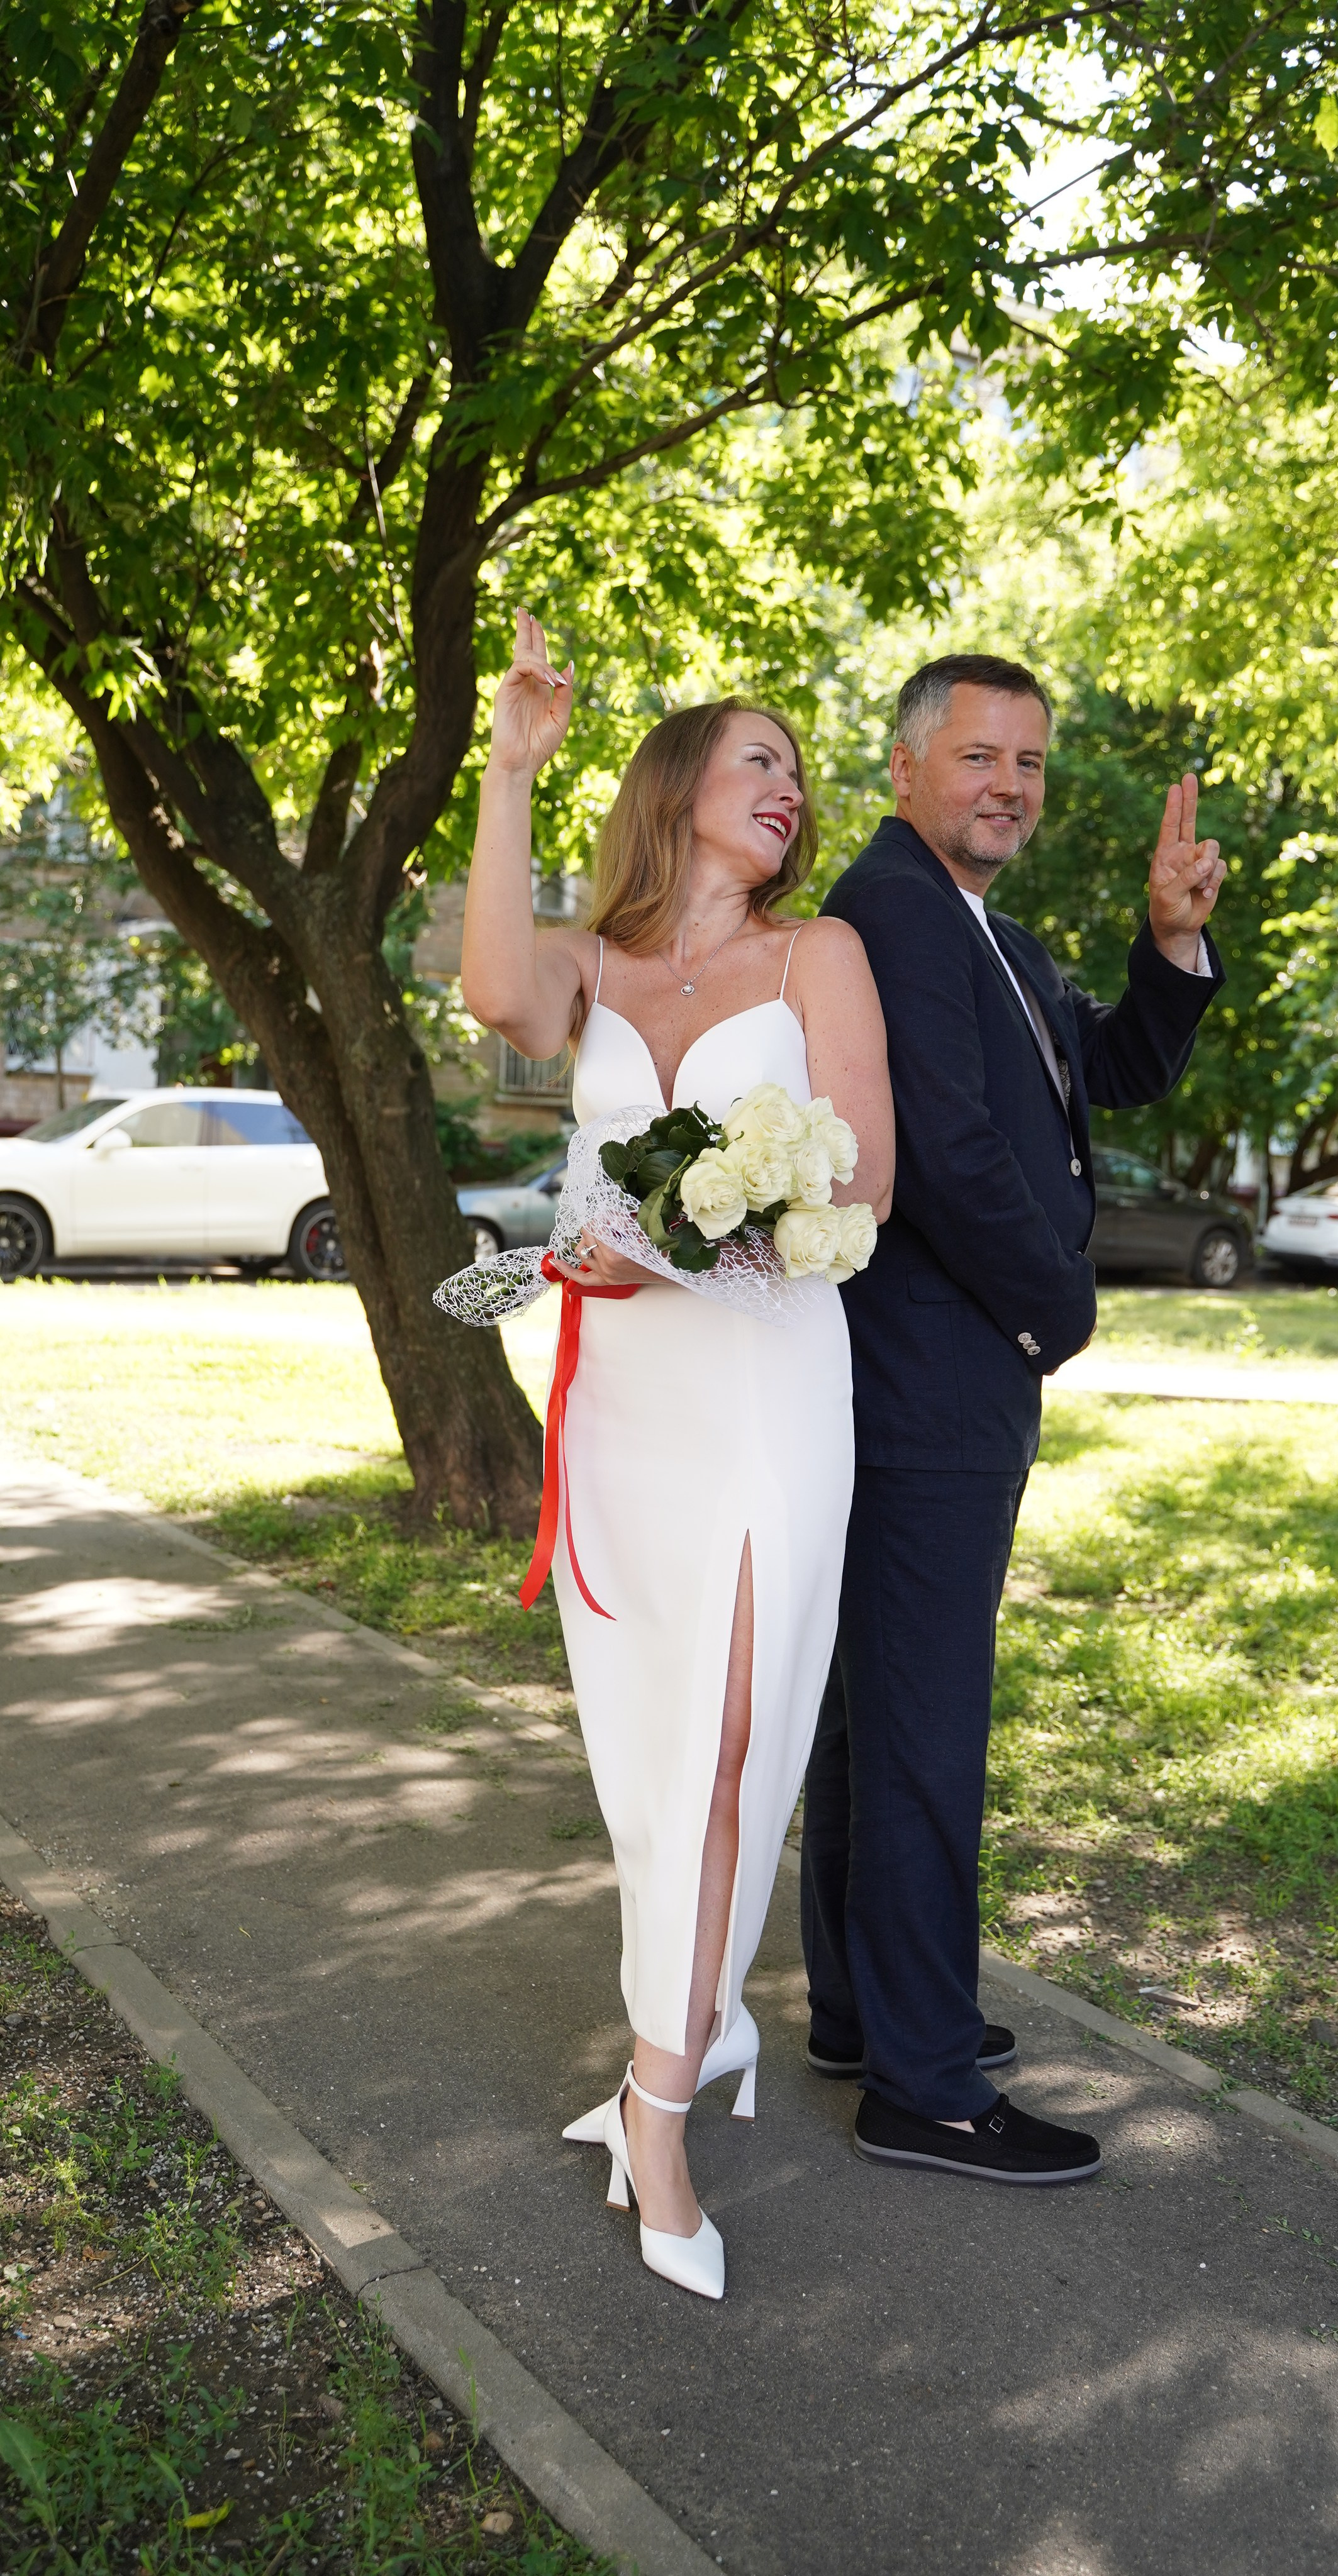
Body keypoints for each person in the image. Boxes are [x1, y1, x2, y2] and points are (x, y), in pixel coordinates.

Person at [460, 609, 894, 2299]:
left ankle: (659, 2104)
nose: (789, 785)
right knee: (646, 1761)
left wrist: (700, 1235)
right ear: (677, 783)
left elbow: (865, 1189)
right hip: (626, 1405)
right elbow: (498, 994)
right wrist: (506, 771)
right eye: (759, 755)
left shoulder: (820, 958)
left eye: (800, 768)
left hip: (772, 1389)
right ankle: (701, 2026)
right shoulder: (596, 961)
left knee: (727, 1744)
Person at [801, 652, 1227, 2184]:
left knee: (872, 1711)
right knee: (921, 1726)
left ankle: (865, 2009)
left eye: (1030, 763)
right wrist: (1062, 1308)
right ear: (906, 764)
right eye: (981, 755)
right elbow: (948, 1151)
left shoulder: (983, 926)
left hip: (936, 1376)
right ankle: (922, 2082)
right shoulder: (894, 914)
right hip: (928, 1375)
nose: (1011, 785)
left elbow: (1098, 1068)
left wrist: (1170, 942)